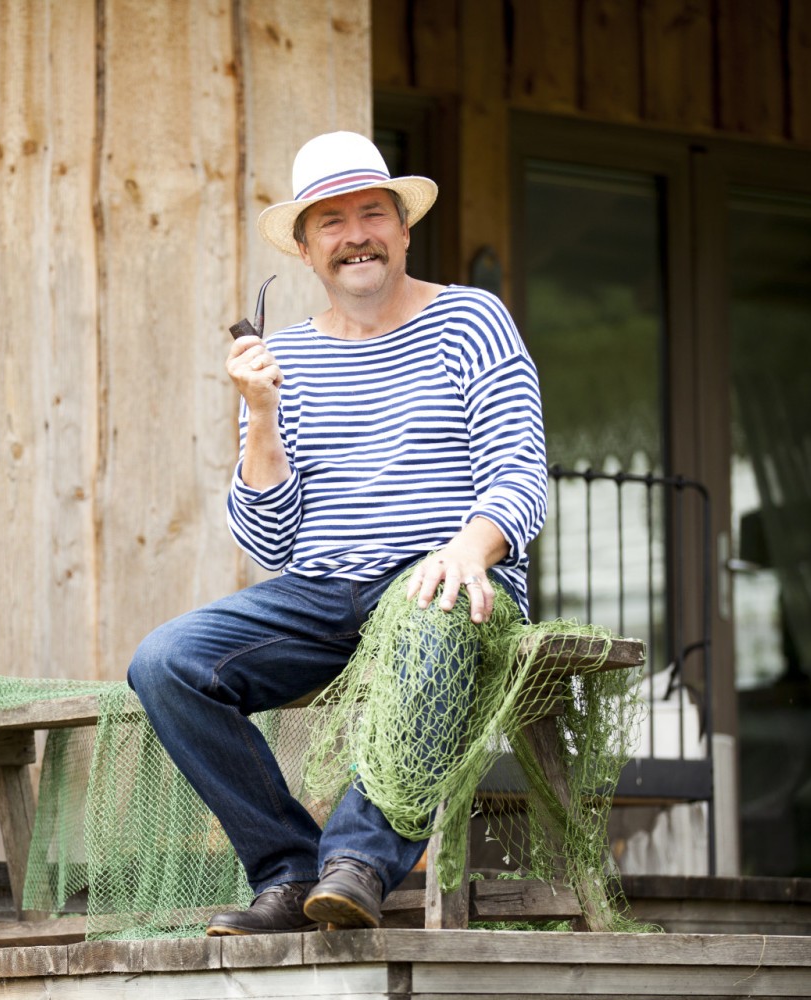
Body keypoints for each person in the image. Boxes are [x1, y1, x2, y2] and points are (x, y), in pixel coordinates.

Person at [126, 131, 547, 935]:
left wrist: (469, 547)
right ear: (306, 247)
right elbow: (270, 543)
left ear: (404, 229)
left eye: (372, 213)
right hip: (320, 590)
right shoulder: (279, 359)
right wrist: (260, 414)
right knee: (167, 664)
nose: (356, 233)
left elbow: (521, 469)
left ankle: (356, 866)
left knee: (432, 623)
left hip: (442, 581)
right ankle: (287, 873)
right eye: (332, 221)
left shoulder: (471, 320)